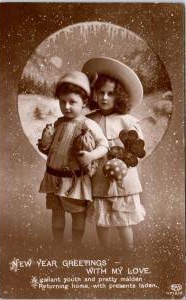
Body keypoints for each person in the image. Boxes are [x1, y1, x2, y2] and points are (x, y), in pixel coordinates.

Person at [38, 70, 108, 249]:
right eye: (63, 102)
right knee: (57, 211)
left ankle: (76, 245)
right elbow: (46, 149)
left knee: (77, 214)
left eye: (72, 102)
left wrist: (91, 156)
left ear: (84, 102)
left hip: (75, 181)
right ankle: (58, 244)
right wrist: (46, 139)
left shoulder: (89, 125)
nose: (66, 106)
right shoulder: (58, 123)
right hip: (54, 178)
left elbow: (104, 145)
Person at [82, 57, 146, 254]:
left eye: (110, 94)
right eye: (101, 93)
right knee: (103, 220)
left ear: (119, 96)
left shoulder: (127, 121)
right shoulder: (89, 120)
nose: (105, 98)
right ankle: (106, 253)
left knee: (123, 221)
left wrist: (124, 159)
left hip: (123, 178)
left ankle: (128, 252)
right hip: (99, 177)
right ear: (94, 94)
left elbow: (139, 148)